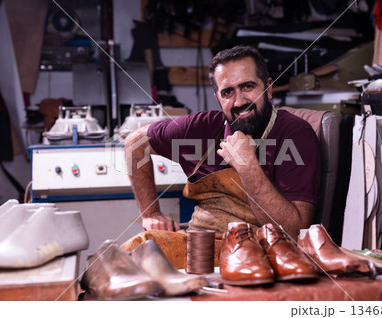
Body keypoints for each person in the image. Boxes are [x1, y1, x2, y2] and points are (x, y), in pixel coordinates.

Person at [125, 45, 321, 241]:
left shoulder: (295, 134)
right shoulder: (202, 127)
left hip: (261, 254)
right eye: (228, 92)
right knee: (133, 253)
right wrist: (150, 213)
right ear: (217, 98)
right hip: (199, 245)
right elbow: (135, 142)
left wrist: (246, 165)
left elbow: (293, 233)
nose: (239, 102)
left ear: (268, 88)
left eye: (248, 86)